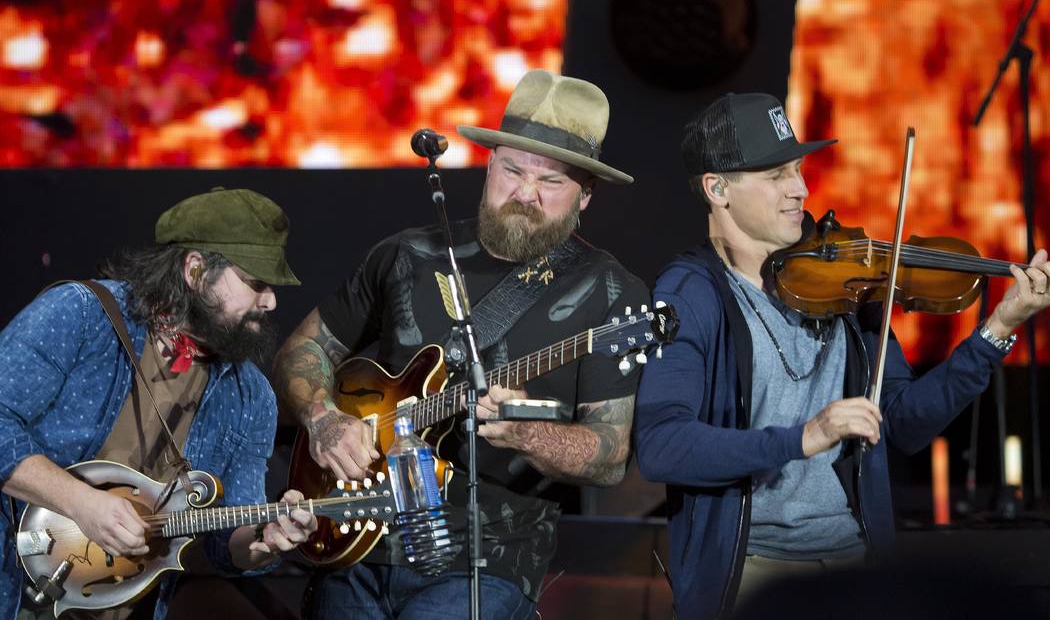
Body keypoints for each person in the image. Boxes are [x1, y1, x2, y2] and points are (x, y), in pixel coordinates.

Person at [633, 92, 1050, 619]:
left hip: (857, 565)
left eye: (799, 170)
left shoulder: (847, 282)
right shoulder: (692, 293)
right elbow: (663, 446)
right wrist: (804, 437)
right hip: (751, 574)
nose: (800, 190)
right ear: (718, 189)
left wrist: (997, 330)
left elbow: (904, 425)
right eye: (776, 174)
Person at [273, 69, 649, 619]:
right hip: (357, 540)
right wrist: (323, 418)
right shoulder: (407, 255)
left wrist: (525, 434)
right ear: (489, 164)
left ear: (585, 196)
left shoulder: (609, 292)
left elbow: (610, 456)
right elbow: (300, 351)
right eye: (512, 170)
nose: (523, 194)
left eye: (551, 183)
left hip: (484, 562)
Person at [0, 188, 319, 620]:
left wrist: (263, 540)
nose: (270, 301)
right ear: (195, 270)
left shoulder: (251, 396)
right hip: (13, 586)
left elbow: (223, 543)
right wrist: (82, 503)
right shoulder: (79, 315)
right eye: (255, 282)